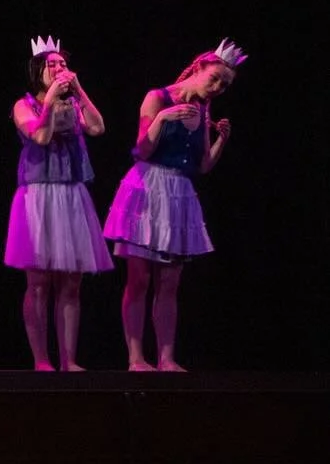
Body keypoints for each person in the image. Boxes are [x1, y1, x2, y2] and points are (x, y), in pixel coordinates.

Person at [102, 39, 244, 372]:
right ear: (198, 68)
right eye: (215, 79)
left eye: (224, 85)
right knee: (139, 278)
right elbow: (143, 149)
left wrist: (222, 139)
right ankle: (136, 357)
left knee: (170, 283)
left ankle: (166, 357)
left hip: (179, 192)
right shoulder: (158, 97)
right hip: (148, 187)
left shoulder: (205, 110)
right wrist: (163, 118)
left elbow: (204, 165)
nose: (218, 88)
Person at [4, 36, 112, 371]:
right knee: (38, 282)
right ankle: (41, 360)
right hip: (38, 195)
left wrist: (79, 92)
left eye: (63, 65)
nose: (60, 69)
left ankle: (69, 359)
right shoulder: (23, 105)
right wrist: (51, 98)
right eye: (52, 65)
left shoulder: (74, 105)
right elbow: (40, 135)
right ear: (39, 70)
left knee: (71, 281)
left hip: (71, 194)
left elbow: (98, 127)